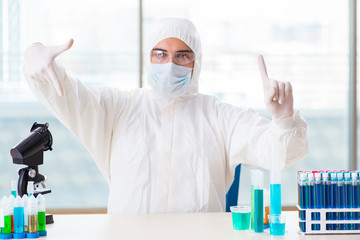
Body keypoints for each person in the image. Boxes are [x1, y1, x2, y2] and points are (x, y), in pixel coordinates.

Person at [22, 17, 308, 214]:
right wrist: (35, 55)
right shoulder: (118, 107)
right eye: (160, 54)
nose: (170, 64)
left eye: (182, 55)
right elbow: (71, 96)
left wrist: (284, 119)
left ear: (197, 62)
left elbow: (279, 152)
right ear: (149, 57)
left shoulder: (220, 116)